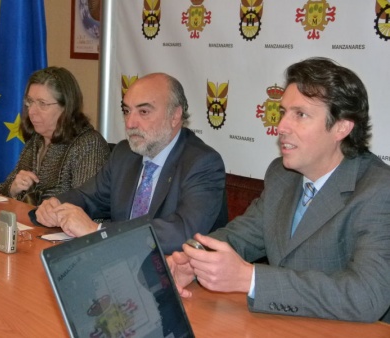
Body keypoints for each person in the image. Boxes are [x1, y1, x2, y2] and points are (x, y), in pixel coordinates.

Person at [167, 57, 390, 323]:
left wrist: (251, 279)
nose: (281, 126)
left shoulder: (378, 190)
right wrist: (191, 258)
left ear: (342, 127)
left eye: (301, 115)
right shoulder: (283, 175)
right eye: (283, 112)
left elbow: (367, 296)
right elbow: (240, 236)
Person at [32, 72, 227, 254]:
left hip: (178, 274)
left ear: (175, 116)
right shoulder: (125, 153)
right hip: (121, 263)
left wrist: (97, 230)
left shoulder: (202, 163)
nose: (130, 123)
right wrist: (55, 205)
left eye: (143, 112)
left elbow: (182, 232)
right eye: (127, 111)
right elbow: (88, 196)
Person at [0, 66, 110, 206]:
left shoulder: (88, 144)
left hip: (61, 227)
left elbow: (89, 207)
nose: (31, 111)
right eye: (30, 102)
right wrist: (13, 189)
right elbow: (1, 194)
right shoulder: (36, 139)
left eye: (42, 104)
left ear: (66, 107)